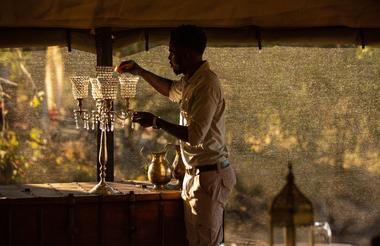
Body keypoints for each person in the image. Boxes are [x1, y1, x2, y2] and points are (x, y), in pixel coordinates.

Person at [116, 25, 236, 246]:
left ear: (188, 52)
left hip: (209, 178)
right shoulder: (191, 80)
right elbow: (171, 89)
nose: (169, 57)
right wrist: (140, 71)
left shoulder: (207, 84)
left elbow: (195, 135)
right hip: (194, 176)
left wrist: (155, 121)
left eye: (173, 51)